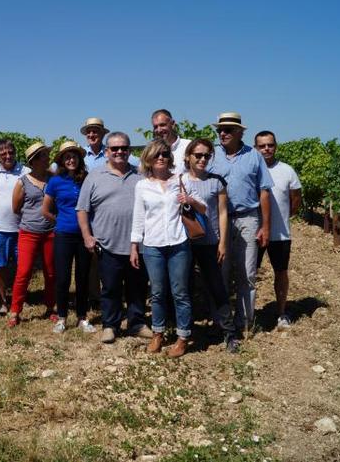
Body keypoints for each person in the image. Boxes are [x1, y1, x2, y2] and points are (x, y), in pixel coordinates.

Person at [77, 132, 150, 344]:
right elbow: (82, 209)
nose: (120, 152)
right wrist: (87, 236)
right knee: (110, 288)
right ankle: (111, 325)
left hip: (137, 244)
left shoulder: (141, 176)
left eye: (124, 148)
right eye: (115, 149)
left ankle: (136, 323)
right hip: (107, 244)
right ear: (107, 151)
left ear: (129, 151)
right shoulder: (95, 176)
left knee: (137, 287)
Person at [208, 112, 273, 334]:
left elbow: (264, 192)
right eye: (219, 130)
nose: (222, 134)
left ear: (239, 132)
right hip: (220, 221)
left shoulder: (254, 156)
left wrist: (265, 226)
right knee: (220, 272)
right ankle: (221, 323)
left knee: (247, 274)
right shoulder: (211, 156)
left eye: (227, 130)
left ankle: (244, 323)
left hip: (248, 218)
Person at [130, 139, 194, 357]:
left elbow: (198, 205)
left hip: (178, 243)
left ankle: (183, 337)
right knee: (157, 292)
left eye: (165, 154)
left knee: (180, 293)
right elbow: (139, 217)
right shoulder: (142, 185)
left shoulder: (181, 180)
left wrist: (191, 199)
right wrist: (134, 246)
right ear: (148, 158)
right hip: (153, 245)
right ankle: (158, 333)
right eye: (156, 154)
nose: (161, 158)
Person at [180, 138, 240, 352]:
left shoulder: (217, 182)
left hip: (210, 242)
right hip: (183, 244)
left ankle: (229, 332)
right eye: (198, 155)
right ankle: (183, 332)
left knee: (217, 287)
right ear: (188, 157)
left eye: (207, 155)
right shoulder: (179, 180)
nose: (202, 159)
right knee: (183, 288)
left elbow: (223, 213)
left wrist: (223, 242)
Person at [42, 141, 95, 333]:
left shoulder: (87, 179)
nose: (71, 160)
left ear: (79, 159)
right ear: (62, 161)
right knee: (63, 278)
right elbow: (45, 210)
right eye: (67, 157)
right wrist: (59, 221)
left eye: (74, 156)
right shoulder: (55, 181)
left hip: (84, 235)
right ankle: (62, 317)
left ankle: (82, 317)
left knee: (82, 277)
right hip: (63, 235)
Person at [254, 130, 302, 329]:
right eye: (262, 145)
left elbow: (296, 200)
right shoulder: (251, 169)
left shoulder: (287, 171)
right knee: (248, 274)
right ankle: (248, 313)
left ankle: (281, 312)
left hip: (280, 234)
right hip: (253, 234)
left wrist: (282, 218)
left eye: (270, 145)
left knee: (281, 272)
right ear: (255, 148)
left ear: (276, 146)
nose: (266, 149)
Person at [8, 143, 57, 327]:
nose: (47, 159)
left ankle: (51, 307)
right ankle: (15, 310)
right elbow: (16, 208)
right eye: (43, 156)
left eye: (46, 155)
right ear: (34, 161)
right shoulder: (23, 182)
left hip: (51, 233)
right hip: (29, 232)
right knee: (24, 272)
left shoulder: (54, 179)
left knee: (51, 273)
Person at [0, 138, 29, 315]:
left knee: (22, 266)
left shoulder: (26, 171)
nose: (8, 156)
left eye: (11, 152)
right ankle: (2, 302)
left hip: (21, 228)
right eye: (3, 154)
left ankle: (19, 301)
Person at [151, 109, 191, 174]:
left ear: (173, 124)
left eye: (162, 125)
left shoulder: (188, 146)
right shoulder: (151, 150)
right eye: (155, 127)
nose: (159, 130)